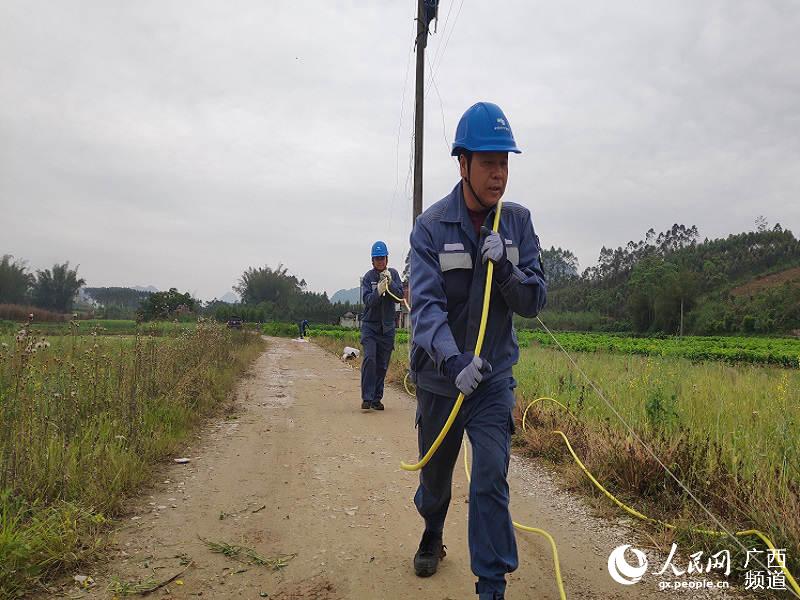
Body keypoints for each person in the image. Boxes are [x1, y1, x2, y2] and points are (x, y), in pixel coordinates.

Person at [408, 102, 547, 600]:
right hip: (441, 381)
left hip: (491, 380)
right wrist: (452, 359)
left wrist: (507, 271)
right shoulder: (430, 227)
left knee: (490, 474)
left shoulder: (519, 224)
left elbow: (535, 301)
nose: (499, 173)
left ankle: (491, 584)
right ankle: (432, 527)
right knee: (437, 482)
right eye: (488, 161)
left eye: (505, 161)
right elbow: (423, 309)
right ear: (462, 163)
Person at [360, 240, 403, 411]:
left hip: (387, 328)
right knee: (370, 359)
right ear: (372, 260)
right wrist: (378, 290)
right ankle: (367, 398)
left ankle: (377, 399)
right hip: (370, 327)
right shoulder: (368, 278)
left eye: (382, 258)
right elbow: (368, 301)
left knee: (382, 365)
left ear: (387, 258)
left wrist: (390, 283)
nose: (380, 261)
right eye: (377, 258)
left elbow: (400, 296)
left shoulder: (393, 274)